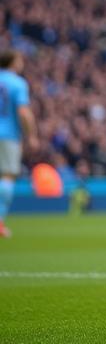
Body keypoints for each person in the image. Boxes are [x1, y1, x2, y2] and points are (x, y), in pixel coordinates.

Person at [0, 49, 38, 238]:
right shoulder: (17, 83)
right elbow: (23, 112)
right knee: (6, 176)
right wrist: (31, 135)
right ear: (13, 62)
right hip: (7, 136)